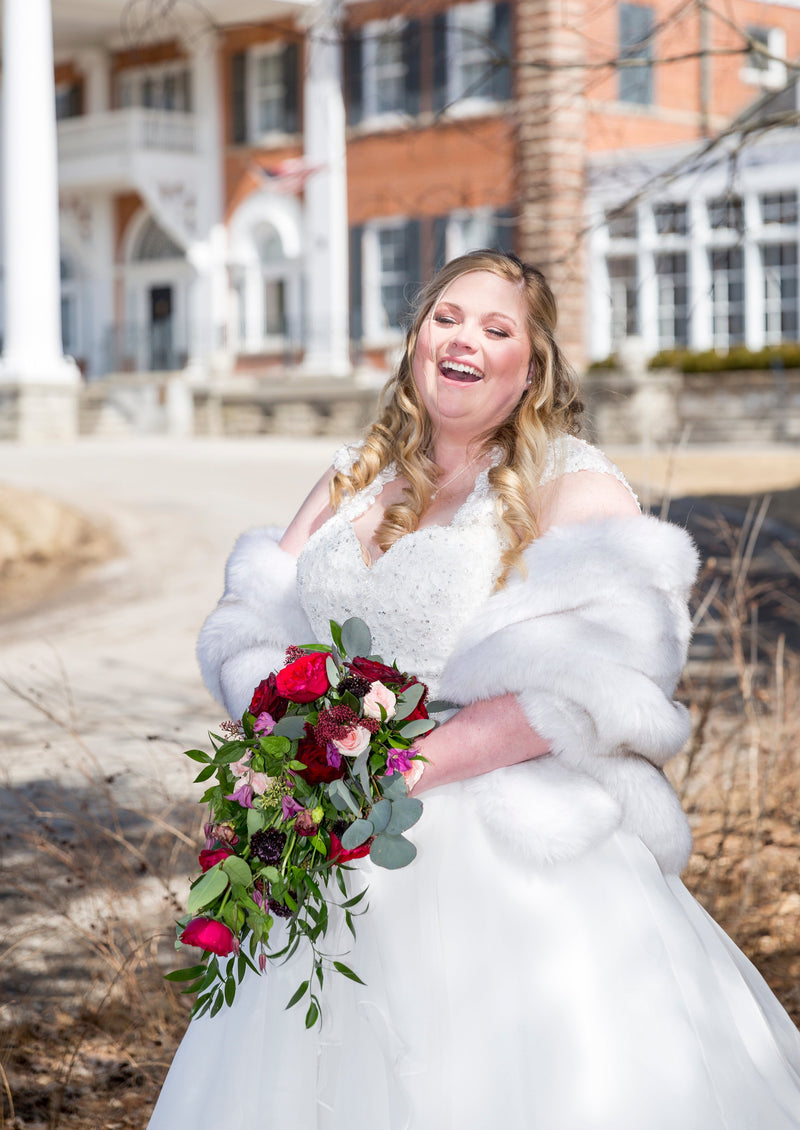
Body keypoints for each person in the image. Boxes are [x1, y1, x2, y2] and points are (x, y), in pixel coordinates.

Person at [149, 251, 800, 1129]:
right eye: (447, 317)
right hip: (328, 828)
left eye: (498, 329)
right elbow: (250, 621)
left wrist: (395, 773)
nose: (466, 340)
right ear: (418, 338)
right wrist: (292, 753)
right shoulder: (354, 473)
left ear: (531, 368)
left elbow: (592, 677)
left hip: (507, 844)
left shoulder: (572, 485)